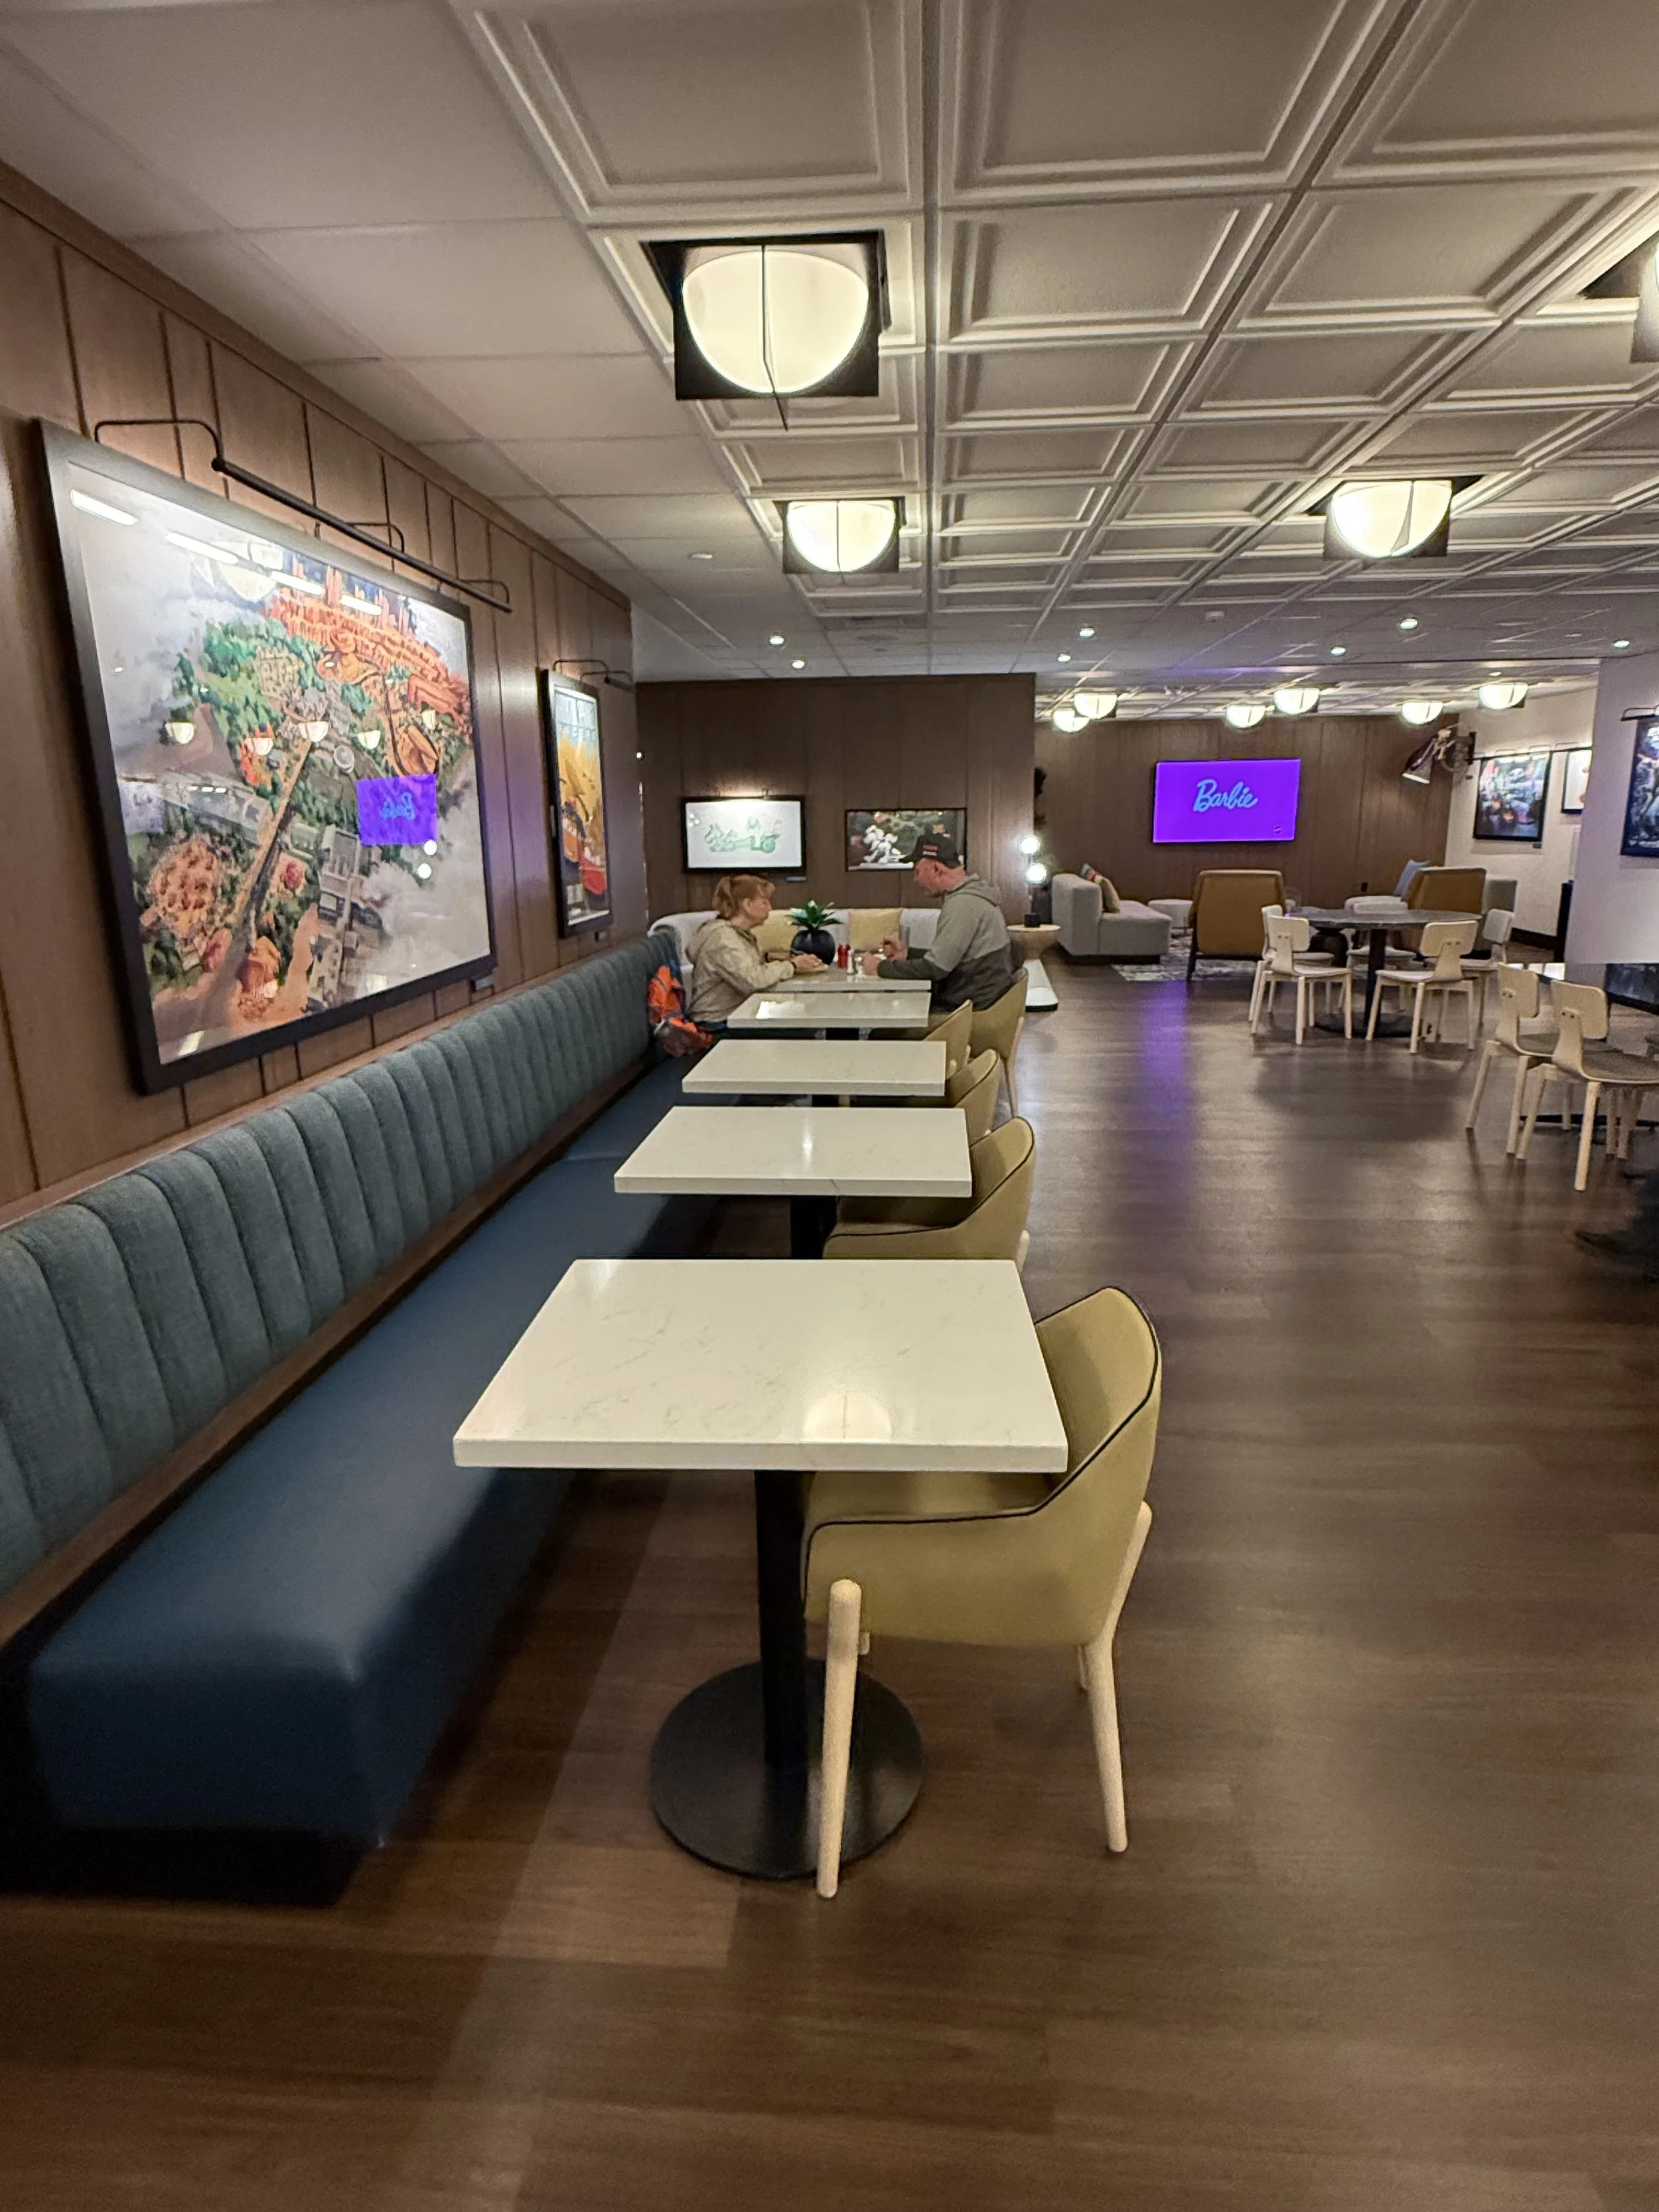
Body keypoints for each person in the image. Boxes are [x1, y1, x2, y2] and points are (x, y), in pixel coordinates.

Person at [860, 830, 1015, 1010]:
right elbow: (953, 958)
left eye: (917, 871)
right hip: (979, 1004)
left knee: (885, 1033)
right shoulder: (973, 897)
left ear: (936, 869)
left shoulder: (963, 904)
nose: (916, 879)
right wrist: (907, 955)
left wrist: (880, 968)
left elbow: (936, 968)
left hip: (967, 1014)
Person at [687, 873, 823, 1024]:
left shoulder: (735, 934)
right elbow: (753, 980)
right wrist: (793, 965)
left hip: (735, 1016)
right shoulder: (724, 939)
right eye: (765, 902)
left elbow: (745, 970)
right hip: (717, 1023)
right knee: (803, 1027)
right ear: (747, 905)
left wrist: (769, 959)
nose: (770, 908)